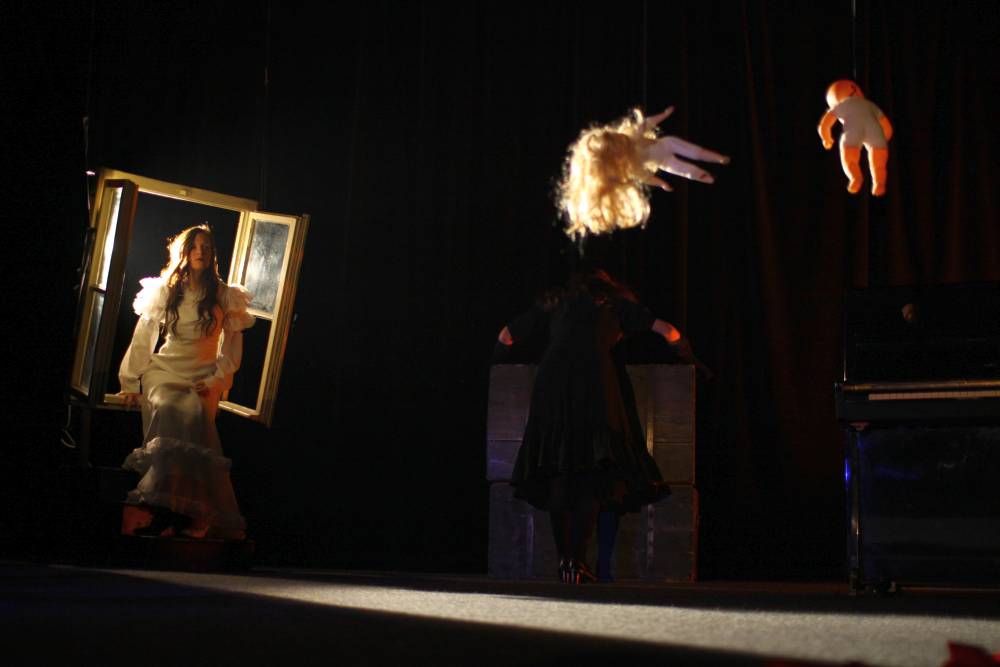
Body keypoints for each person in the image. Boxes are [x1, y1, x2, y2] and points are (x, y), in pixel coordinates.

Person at [496, 269, 706, 583]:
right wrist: (688, 357)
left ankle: (565, 562)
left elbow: (506, 336)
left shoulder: (557, 301)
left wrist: (497, 368)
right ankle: (578, 560)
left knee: (555, 468)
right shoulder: (615, 304)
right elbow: (669, 331)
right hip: (595, 383)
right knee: (594, 472)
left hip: (552, 384)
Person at [117, 224, 254, 540]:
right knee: (168, 408)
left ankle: (187, 513)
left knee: (194, 415)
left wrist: (217, 379)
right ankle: (161, 508)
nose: (200, 252)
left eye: (206, 247)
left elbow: (232, 347)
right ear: (184, 252)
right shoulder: (167, 290)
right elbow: (143, 338)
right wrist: (130, 382)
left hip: (201, 376)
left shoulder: (224, 295)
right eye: (194, 247)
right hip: (166, 370)